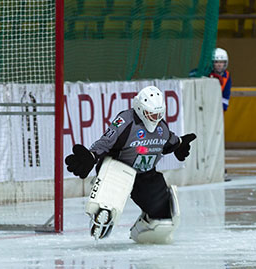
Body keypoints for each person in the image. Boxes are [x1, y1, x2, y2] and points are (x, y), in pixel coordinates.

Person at [65, 85, 196, 244]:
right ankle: (103, 213)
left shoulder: (161, 128)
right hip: (119, 167)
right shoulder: (126, 121)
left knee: (163, 219)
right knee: (109, 200)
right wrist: (91, 156)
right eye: (151, 114)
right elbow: (106, 142)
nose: (155, 118)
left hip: (145, 175)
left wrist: (180, 144)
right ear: (140, 109)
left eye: (159, 114)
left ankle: (149, 224)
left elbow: (170, 141)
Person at [209, 47, 232, 113]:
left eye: (221, 62)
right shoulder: (206, 73)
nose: (219, 65)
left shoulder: (227, 76)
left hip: (218, 110)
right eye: (216, 62)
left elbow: (226, 95)